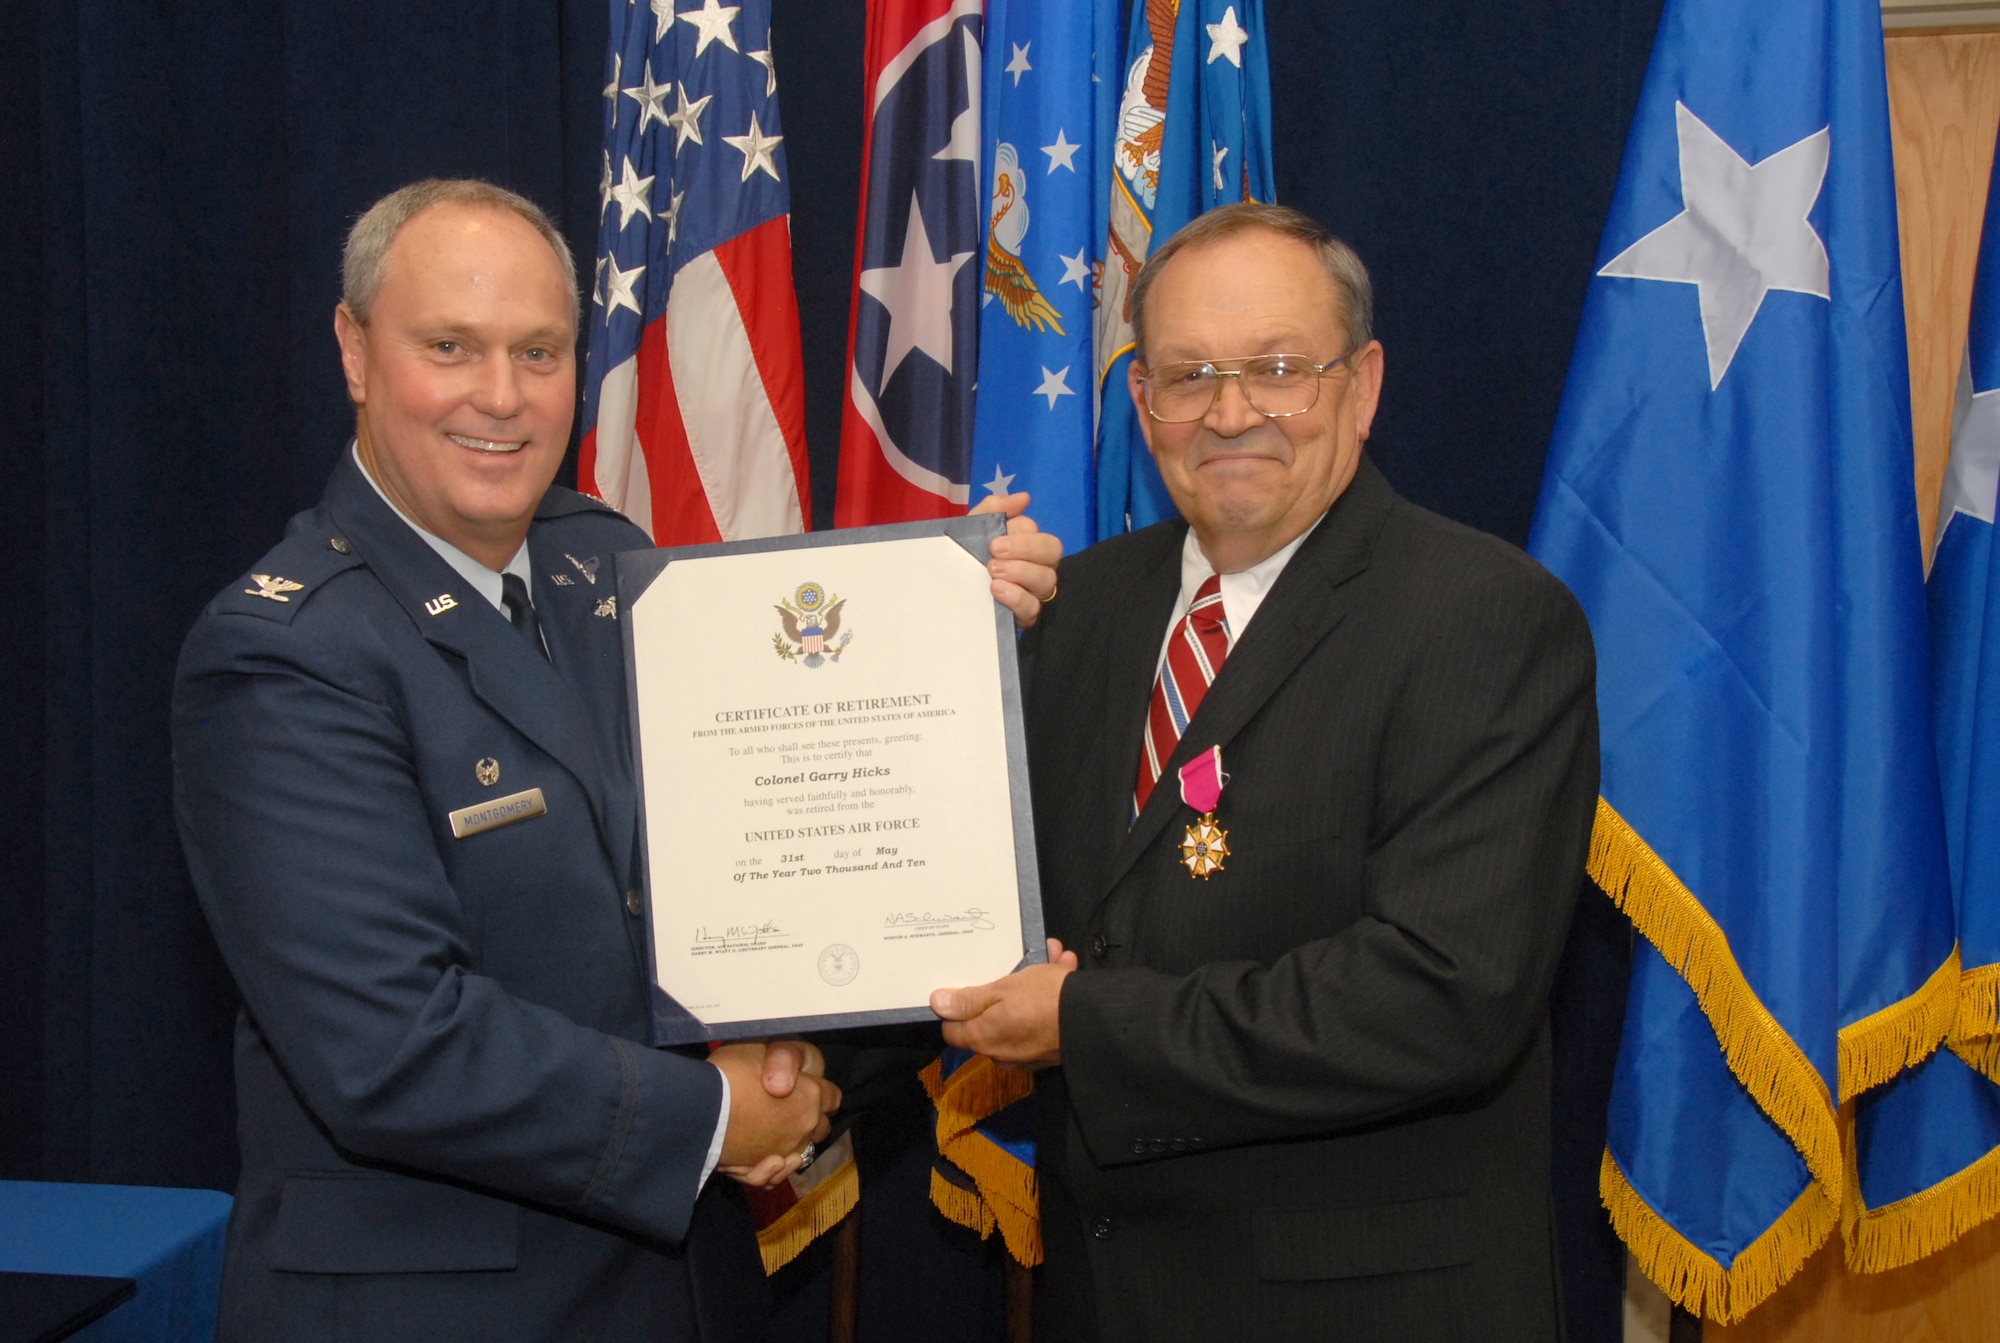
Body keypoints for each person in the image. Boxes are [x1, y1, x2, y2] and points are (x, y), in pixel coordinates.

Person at [172, 178, 1061, 1343]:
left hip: (680, 1292)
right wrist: (708, 1116)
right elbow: (389, 1042)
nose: (500, 396)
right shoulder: (283, 653)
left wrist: (939, 616)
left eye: (539, 352)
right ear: (353, 348)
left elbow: (736, 865)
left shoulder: (610, 567)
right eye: (450, 346)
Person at [931, 203, 1599, 1342]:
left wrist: (1084, 1021)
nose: (1230, 412)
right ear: (1139, 401)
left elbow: (1441, 994)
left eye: (1279, 368)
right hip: (1109, 1298)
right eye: (1186, 374)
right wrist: (921, 647)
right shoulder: (1068, 613)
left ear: (1362, 382)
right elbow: (967, 894)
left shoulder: (1485, 619)